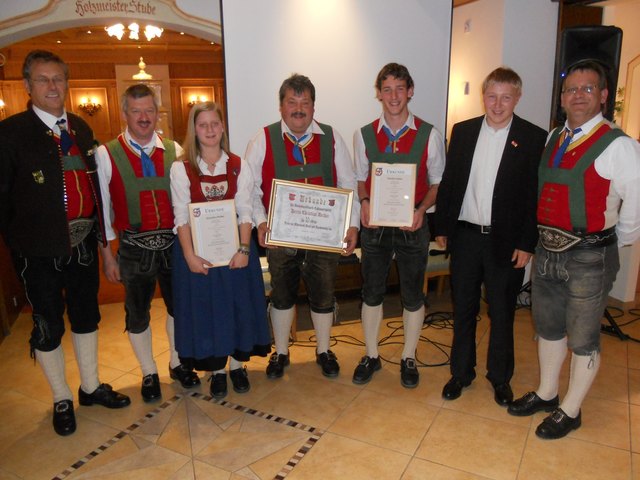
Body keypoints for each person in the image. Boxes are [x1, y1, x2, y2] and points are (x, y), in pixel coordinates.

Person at [0, 50, 130, 436]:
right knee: (48, 324)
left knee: (87, 315)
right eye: (43, 79)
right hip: (37, 251)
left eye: (58, 79)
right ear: (27, 85)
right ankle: (60, 396)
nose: (52, 86)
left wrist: (105, 248)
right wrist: (22, 243)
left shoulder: (79, 127)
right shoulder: (10, 134)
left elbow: (95, 189)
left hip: (84, 245)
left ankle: (89, 387)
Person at [508, 60, 640, 438]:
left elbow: (635, 201)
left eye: (587, 89)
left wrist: (615, 239)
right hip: (548, 249)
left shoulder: (620, 145)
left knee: (583, 336)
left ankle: (572, 408)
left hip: (589, 255)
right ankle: (549, 393)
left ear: (602, 96)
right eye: (571, 89)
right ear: (562, 97)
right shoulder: (554, 138)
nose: (577, 95)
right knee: (548, 327)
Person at [435, 67, 547, 405]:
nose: (497, 104)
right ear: (483, 96)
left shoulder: (532, 137)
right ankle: (461, 373)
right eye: (492, 96)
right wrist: (442, 227)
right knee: (464, 308)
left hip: (507, 242)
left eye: (506, 97)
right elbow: (451, 182)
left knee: (502, 312)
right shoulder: (464, 131)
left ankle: (500, 378)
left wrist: (527, 243)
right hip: (466, 237)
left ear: (517, 98)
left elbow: (533, 195)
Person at [242, 73, 359, 379]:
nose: (298, 109)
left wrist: (353, 225)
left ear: (313, 107)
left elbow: (348, 184)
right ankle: (280, 352)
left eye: (304, 102)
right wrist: (261, 221)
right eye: (291, 102)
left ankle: (323, 349)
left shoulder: (332, 138)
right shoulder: (262, 139)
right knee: (282, 296)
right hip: (281, 239)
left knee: (323, 295)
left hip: (325, 238)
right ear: (281, 107)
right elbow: (249, 188)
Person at [96, 84, 200, 402]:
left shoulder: (175, 151)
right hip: (132, 246)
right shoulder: (106, 153)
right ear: (125, 113)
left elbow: (186, 202)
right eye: (136, 111)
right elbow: (102, 208)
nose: (143, 117)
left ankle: (177, 362)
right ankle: (148, 372)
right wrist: (108, 256)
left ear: (158, 113)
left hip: (172, 243)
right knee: (137, 313)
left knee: (178, 307)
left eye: (149, 111)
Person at [352, 63, 445, 388]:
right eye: (387, 89)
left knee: (412, 294)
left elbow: (437, 182)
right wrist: (364, 202)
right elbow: (362, 179)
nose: (393, 96)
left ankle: (408, 355)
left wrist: (422, 210)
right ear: (379, 93)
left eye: (400, 88)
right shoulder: (364, 134)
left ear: (410, 91)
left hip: (413, 225)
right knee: (371, 292)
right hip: (375, 227)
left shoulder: (428, 134)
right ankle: (372, 354)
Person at [170, 101, 271, 399]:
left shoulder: (239, 165)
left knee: (237, 307)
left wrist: (243, 249)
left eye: (215, 124)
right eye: (203, 125)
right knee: (208, 312)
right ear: (194, 130)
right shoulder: (181, 169)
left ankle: (237, 366)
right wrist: (189, 256)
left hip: (235, 253)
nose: (210, 130)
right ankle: (216, 371)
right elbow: (181, 217)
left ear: (223, 127)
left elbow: (246, 211)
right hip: (199, 256)